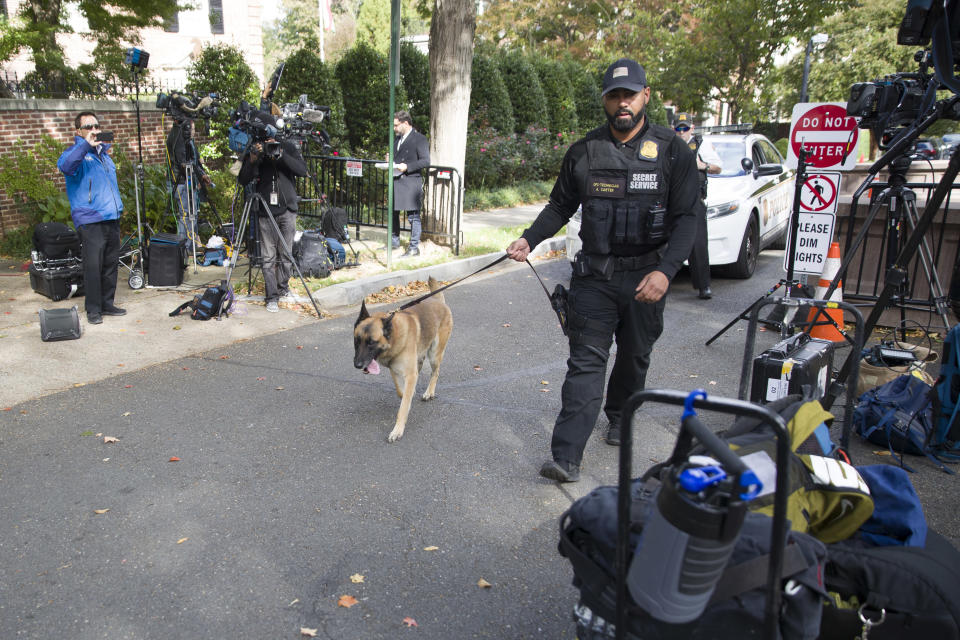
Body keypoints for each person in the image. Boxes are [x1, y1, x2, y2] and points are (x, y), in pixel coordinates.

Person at [506, 58, 699, 483]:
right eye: (614, 95)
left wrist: (667, 271)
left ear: (646, 96)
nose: (622, 103)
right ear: (605, 102)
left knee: (634, 356)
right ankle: (567, 456)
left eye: (629, 94)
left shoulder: (672, 151)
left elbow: (688, 218)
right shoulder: (584, 152)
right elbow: (560, 204)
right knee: (585, 363)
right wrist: (529, 238)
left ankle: (619, 416)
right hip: (594, 276)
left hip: (648, 277)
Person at [57, 111, 126, 325]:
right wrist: (85, 145)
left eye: (96, 126)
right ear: (78, 131)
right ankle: (93, 309)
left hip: (111, 217)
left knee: (110, 264)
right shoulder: (75, 153)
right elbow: (66, 166)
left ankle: (107, 304)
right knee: (93, 266)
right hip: (90, 219)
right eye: (88, 127)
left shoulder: (104, 155)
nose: (94, 130)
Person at [238, 112, 308, 313]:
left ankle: (283, 288)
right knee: (268, 257)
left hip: (287, 209)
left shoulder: (287, 145)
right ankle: (272, 296)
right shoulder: (256, 148)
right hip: (265, 210)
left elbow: (302, 170)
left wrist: (280, 155)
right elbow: (243, 179)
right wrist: (252, 159)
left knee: (286, 253)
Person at [674, 112, 722, 300]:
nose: (682, 132)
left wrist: (702, 165)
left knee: (698, 244)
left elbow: (718, 167)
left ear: (692, 129)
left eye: (685, 128)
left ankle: (704, 286)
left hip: (695, 201)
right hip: (674, 200)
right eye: (679, 128)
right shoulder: (672, 146)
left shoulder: (702, 144)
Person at [166, 117, 212, 253]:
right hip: (180, 182)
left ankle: (193, 244)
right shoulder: (178, 138)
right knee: (185, 215)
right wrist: (195, 177)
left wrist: (201, 175)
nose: (193, 132)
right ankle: (184, 248)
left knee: (192, 214)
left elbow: (194, 160)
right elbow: (183, 164)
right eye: (192, 129)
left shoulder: (188, 141)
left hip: (188, 181)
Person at [390, 110, 430, 257]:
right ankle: (394, 242)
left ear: (405, 123)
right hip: (397, 180)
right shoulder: (397, 139)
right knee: (393, 213)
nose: (394, 129)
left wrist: (408, 167)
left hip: (411, 181)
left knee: (413, 216)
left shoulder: (419, 139)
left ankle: (413, 248)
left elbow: (426, 161)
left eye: (396, 125)